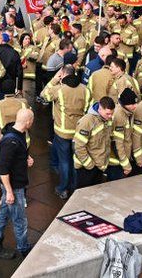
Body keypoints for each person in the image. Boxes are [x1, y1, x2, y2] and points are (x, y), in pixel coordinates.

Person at [0, 108, 34, 260]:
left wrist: (26, 158)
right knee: (20, 219)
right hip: (14, 186)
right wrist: (9, 191)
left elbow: (16, 156)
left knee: (4, 213)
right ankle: (24, 248)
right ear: (28, 122)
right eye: (32, 120)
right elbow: (3, 169)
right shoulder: (11, 142)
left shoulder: (16, 134)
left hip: (13, 184)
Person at [40, 65, 88, 198]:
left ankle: (63, 188)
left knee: (64, 161)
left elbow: (43, 95)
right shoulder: (85, 89)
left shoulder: (59, 90)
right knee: (75, 161)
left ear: (63, 74)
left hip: (62, 131)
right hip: (79, 131)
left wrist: (55, 79)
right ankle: (74, 187)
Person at [73, 97, 115, 188]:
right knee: (82, 194)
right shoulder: (87, 121)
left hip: (99, 165)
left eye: (112, 113)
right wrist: (89, 165)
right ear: (100, 108)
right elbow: (79, 146)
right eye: (107, 113)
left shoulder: (106, 119)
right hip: (86, 168)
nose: (110, 116)